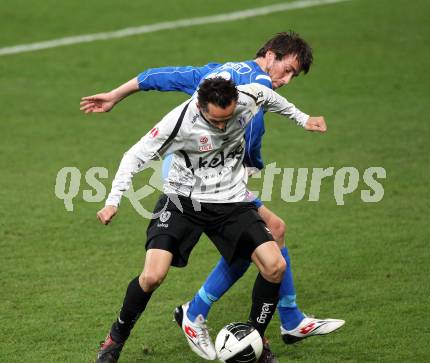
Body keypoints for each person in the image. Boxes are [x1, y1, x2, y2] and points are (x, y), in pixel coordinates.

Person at [81, 32, 344, 362]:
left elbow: (273, 100)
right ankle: (114, 340)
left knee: (274, 264)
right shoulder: (177, 124)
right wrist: (113, 200)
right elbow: (134, 156)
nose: (222, 129)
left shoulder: (250, 93)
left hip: (230, 200)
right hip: (183, 200)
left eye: (228, 119)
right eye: (216, 121)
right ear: (201, 106)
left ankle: (254, 339)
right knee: (152, 276)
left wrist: (305, 120)